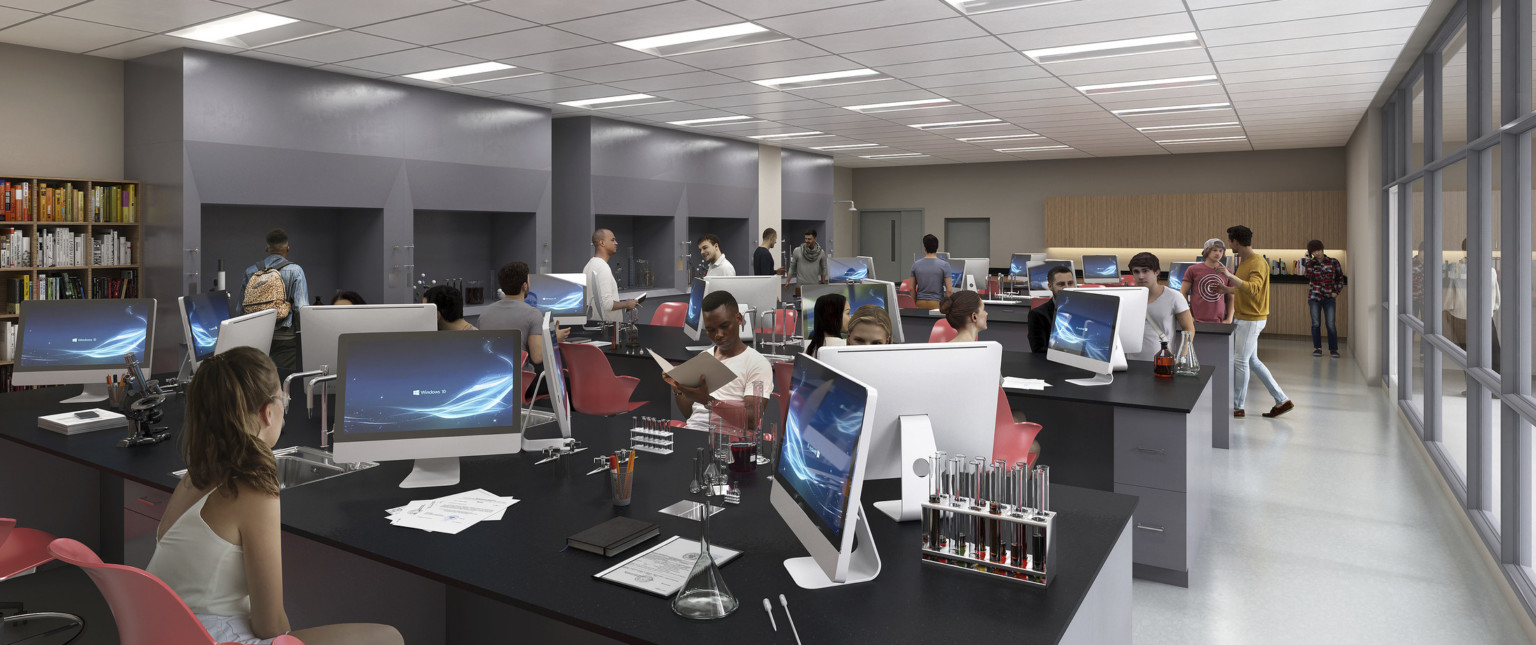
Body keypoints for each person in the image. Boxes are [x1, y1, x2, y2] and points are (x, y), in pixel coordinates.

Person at [148, 347, 403, 645]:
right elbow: (270, 626)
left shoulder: (196, 474)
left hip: (169, 630)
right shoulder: (252, 485)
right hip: (210, 637)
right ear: (268, 412)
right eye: (283, 399)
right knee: (388, 638)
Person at [664, 290, 773, 431]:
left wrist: (708, 401)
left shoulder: (757, 363)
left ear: (739, 319)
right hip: (694, 433)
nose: (718, 335)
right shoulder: (705, 356)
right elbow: (691, 415)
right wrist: (677, 389)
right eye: (711, 330)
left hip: (727, 441)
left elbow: (752, 420)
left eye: (724, 326)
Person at [1220, 225, 1293, 419]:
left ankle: (1237, 407)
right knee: (1252, 361)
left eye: (1230, 241)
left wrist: (1229, 276)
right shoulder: (1244, 261)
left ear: (1236, 241)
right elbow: (1244, 289)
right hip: (1245, 317)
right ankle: (1282, 400)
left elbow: (1253, 289)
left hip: (1251, 319)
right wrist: (1225, 289)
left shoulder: (1257, 262)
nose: (1229, 244)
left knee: (1240, 361)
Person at [241, 229, 308, 371]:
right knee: (282, 382)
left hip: (258, 338)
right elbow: (301, 310)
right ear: (287, 248)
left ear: (267, 249)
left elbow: (240, 309)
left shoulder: (250, 271)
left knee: (260, 382)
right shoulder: (295, 271)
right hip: (286, 340)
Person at [480, 261, 568, 364]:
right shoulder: (533, 314)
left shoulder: (484, 314)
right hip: (522, 377)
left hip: (493, 376)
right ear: (524, 286)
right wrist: (554, 338)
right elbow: (537, 356)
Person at [1127, 252, 1195, 361]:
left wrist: (1182, 356)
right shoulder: (1129, 297)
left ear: (1157, 272)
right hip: (1131, 362)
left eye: (1145, 271)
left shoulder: (1174, 297)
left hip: (1162, 362)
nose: (1140, 276)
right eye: (1136, 272)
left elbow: (1188, 329)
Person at [1301, 239, 1345, 358]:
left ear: (1322, 249)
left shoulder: (1333, 262)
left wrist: (1336, 291)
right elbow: (1307, 276)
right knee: (1316, 324)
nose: (1318, 253)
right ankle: (1317, 348)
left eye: (1319, 250)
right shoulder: (1310, 263)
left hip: (1329, 298)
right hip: (1314, 298)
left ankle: (1333, 349)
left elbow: (1341, 278)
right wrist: (1308, 261)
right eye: (1314, 251)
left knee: (1330, 324)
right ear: (1311, 253)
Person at [586, 229, 639, 324]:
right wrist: (627, 304)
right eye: (612, 240)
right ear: (602, 243)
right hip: (608, 328)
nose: (616, 243)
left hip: (597, 323)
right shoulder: (602, 267)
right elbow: (606, 304)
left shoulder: (589, 265)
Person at [1180, 239, 1233, 324]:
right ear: (1207, 251)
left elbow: (1231, 297)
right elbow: (1183, 293)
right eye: (1214, 250)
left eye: (1221, 250)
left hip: (1219, 322)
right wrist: (1188, 316)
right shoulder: (1193, 270)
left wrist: (1229, 319)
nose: (1218, 253)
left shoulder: (1228, 273)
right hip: (1196, 320)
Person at [1028, 265, 1075, 353]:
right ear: (1050, 286)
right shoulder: (1037, 315)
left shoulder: (1083, 310)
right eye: (1061, 284)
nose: (1067, 288)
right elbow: (1038, 350)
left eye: (1070, 283)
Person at [910, 234, 953, 310]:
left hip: (920, 303)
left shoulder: (915, 265)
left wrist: (914, 305)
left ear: (925, 248)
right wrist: (945, 307)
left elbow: (911, 289)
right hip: (937, 304)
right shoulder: (945, 265)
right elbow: (949, 291)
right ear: (937, 248)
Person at [806, 293, 850, 357]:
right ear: (834, 316)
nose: (850, 318)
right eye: (848, 313)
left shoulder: (809, 350)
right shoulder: (844, 348)